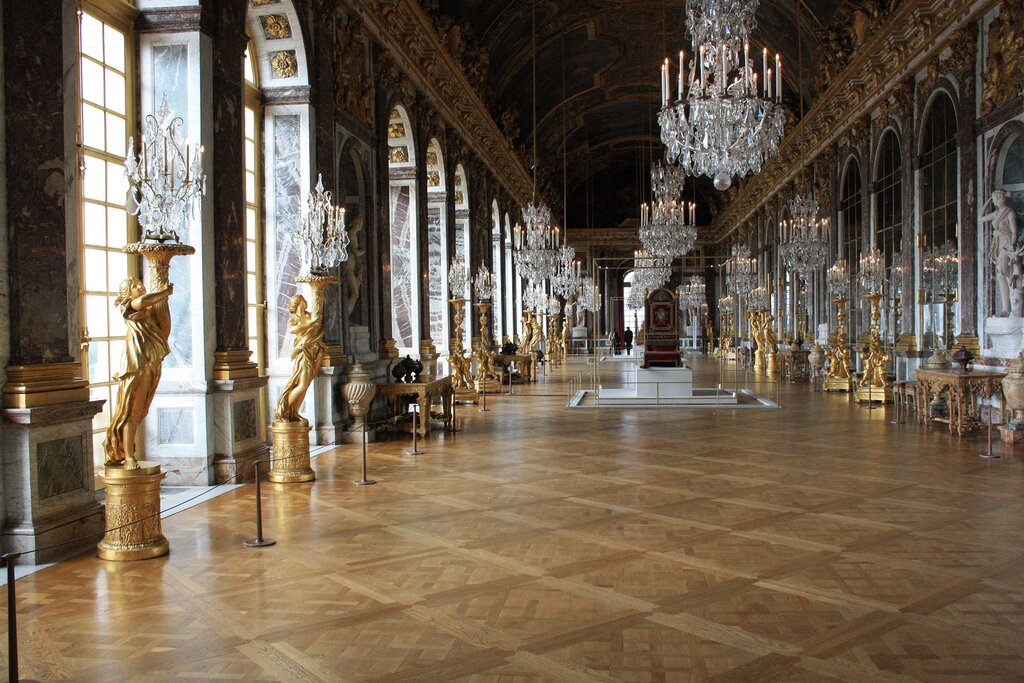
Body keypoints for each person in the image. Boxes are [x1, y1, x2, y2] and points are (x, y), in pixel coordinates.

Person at [104, 278, 174, 469]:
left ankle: (128, 453)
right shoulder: (129, 305)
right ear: (128, 292)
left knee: (140, 410)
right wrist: (164, 292)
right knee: (131, 412)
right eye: (134, 285)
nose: (140, 286)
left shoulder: (146, 312)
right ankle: (128, 456)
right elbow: (143, 301)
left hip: (148, 363)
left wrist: (163, 299)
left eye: (140, 283)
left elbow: (164, 330)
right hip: (135, 365)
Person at [275, 294, 325, 423]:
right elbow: (292, 330)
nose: (306, 302)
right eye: (303, 301)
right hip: (302, 353)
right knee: (302, 385)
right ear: (298, 304)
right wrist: (310, 326)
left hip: (314, 352)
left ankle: (294, 411)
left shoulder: (310, 316)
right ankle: (285, 412)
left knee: (305, 384)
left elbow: (318, 326)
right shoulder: (293, 319)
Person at [982, 189, 1021, 317]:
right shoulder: (996, 213)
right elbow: (980, 218)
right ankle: (1007, 308)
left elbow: (1015, 231)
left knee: (1005, 273)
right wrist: (987, 201)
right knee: (1002, 275)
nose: (993, 201)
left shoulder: (1010, 213)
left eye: (993, 198)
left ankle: (1012, 308)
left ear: (999, 198)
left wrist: (1011, 246)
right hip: (998, 244)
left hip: (1007, 243)